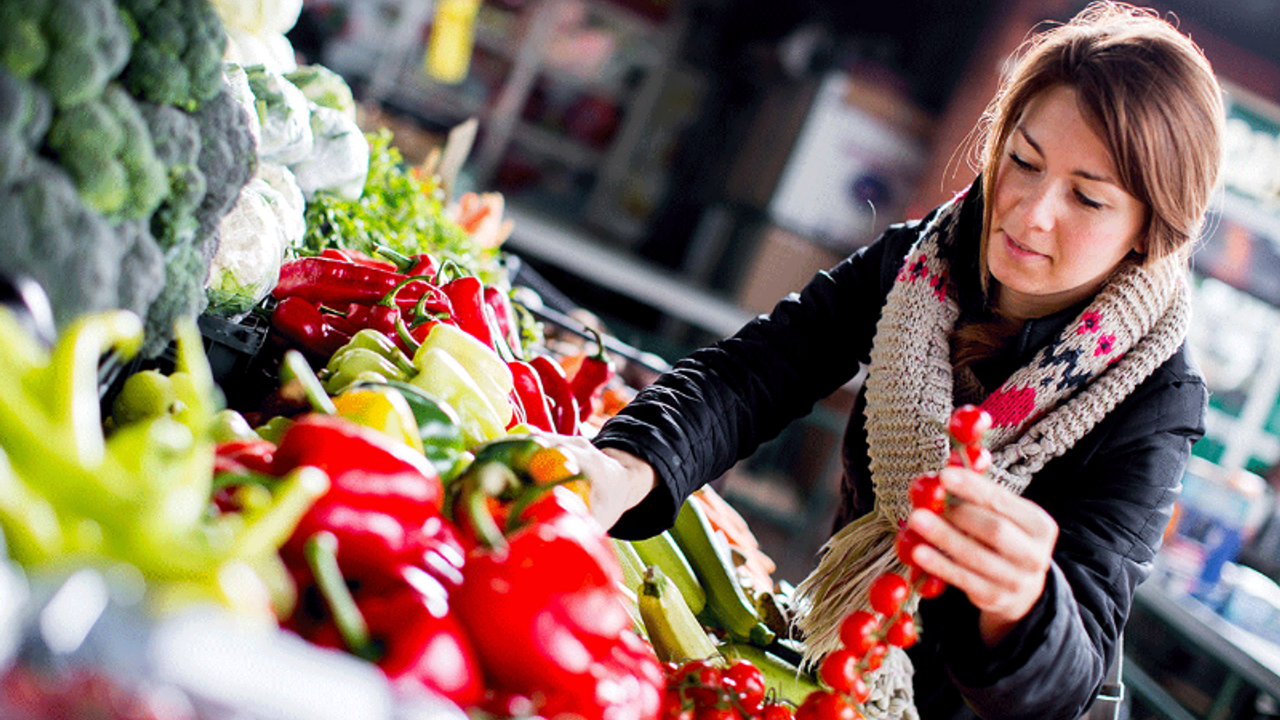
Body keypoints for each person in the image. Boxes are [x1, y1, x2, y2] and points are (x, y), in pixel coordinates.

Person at [556, 3, 1224, 719]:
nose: (1030, 212)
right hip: (833, 674)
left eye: (1087, 198)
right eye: (1022, 160)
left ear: (1148, 232)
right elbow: (753, 375)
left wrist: (1024, 605)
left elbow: (1074, 675)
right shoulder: (920, 265)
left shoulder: (1155, 395)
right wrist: (626, 466)